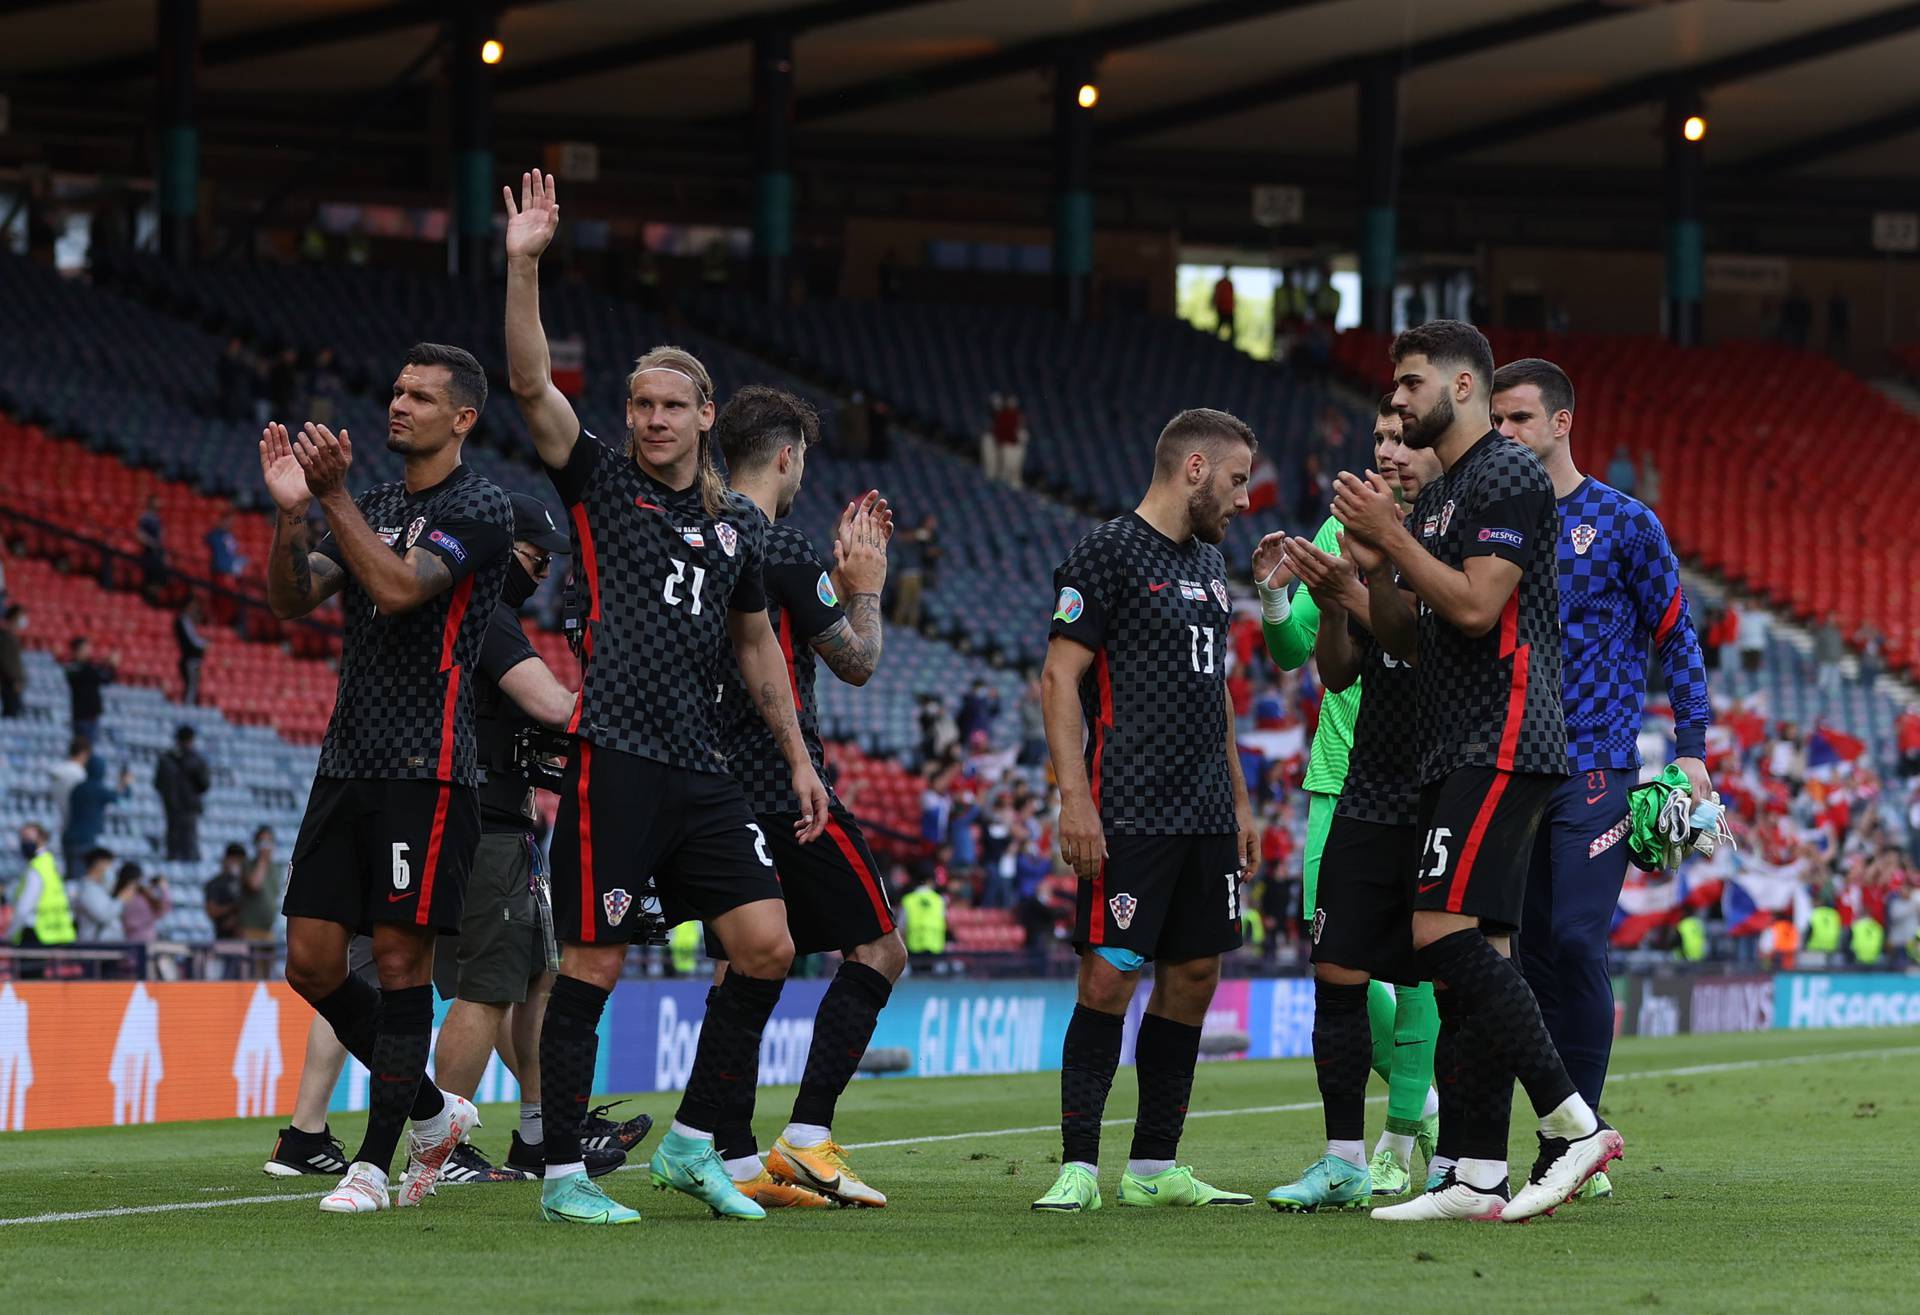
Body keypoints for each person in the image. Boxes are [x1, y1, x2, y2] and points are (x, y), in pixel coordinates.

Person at [503, 169, 829, 1226]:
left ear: (703, 416)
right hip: (617, 757)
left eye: (669, 406)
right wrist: (524, 263)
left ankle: (693, 1142)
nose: (650, 419)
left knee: (768, 945)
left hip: (705, 768)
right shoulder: (599, 480)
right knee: (593, 956)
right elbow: (527, 387)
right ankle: (562, 1177)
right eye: (639, 404)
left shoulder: (736, 525)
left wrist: (794, 756)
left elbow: (757, 646)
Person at [1332, 320, 1619, 1223]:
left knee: (1435, 933)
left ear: (1462, 388)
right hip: (1453, 741)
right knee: (1474, 960)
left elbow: (1476, 602)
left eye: (1411, 382)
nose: (1398, 400)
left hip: (1504, 735)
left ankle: (1574, 1125)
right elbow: (1409, 631)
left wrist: (1397, 537)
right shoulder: (1445, 493)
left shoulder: (1505, 472)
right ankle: (1476, 1176)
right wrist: (1373, 565)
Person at [261, 338, 513, 1215]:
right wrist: (296, 511)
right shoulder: (366, 501)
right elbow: (293, 598)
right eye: (396, 390)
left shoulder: (481, 506)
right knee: (311, 962)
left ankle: (374, 1161)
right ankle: (438, 1111)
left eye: (419, 395)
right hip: (347, 763)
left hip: (427, 767)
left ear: (463, 417)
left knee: (402, 958)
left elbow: (404, 587)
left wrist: (330, 498)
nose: (398, 404)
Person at [1492, 358, 1712, 1204]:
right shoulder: (1494, 525)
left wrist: (1690, 744)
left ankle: (1571, 1145)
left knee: (1579, 943)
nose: (1504, 433)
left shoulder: (1622, 522)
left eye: (1518, 419)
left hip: (1596, 763)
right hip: (1514, 764)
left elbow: (1675, 632)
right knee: (1535, 960)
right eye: (1498, 420)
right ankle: (1566, 1132)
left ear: (1562, 422)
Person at [1030, 407, 1260, 1214]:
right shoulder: (1106, 553)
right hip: (1128, 805)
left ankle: (1155, 1163)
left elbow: (1216, 694)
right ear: (1194, 468)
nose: (1242, 499)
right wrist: (1074, 798)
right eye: (1236, 480)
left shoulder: (1208, 561)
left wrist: (1238, 797)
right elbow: (1059, 680)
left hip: (1205, 813)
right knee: (1109, 974)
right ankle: (1080, 1166)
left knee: (1196, 974)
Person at [709, 384, 905, 1209]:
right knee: (880, 949)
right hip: (784, 787)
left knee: (741, 965)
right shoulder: (784, 548)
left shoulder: (698, 538)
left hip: (706, 784)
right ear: (787, 455)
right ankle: (808, 1133)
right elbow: (856, 659)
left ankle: (729, 1152)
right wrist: (865, 581)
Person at [1252, 394, 1443, 1199]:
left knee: (1429, 961)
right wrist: (1271, 594)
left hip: (1422, 772)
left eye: (1402, 436)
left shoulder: (1443, 526)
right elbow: (1297, 648)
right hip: (1337, 778)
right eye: (1379, 437)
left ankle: (1399, 1135)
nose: (1389, 450)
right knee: (1340, 965)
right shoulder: (1336, 532)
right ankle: (1420, 1103)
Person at [426, 492, 643, 1184]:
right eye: (533, 554)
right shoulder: (485, 613)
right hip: (484, 821)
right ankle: (444, 1143)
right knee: (486, 988)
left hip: (508, 822)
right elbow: (553, 705)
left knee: (535, 981)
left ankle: (541, 1132)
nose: (543, 569)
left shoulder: (495, 615)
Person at [10, 824, 77, 964]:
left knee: (30, 982)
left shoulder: (37, 867)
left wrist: (10, 933)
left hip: (35, 934)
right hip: (56, 934)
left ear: (41, 838)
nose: (24, 842)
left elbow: (24, 907)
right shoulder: (51, 863)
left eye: (28, 838)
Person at [63, 751, 130, 885]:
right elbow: (123, 803)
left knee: (70, 879)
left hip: (69, 837)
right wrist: (126, 785)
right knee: (80, 881)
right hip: (85, 840)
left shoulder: (78, 788)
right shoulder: (99, 790)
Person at [154, 724, 211, 861]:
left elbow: (157, 784)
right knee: (185, 840)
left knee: (179, 840)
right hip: (183, 807)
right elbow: (204, 785)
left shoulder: (167, 759)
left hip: (176, 807)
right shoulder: (195, 760)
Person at [63, 637, 114, 745]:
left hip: (91, 718)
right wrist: (108, 665)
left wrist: (109, 666)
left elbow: (106, 679)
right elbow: (94, 674)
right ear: (78, 651)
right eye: (86, 648)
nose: (89, 651)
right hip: (82, 718)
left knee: (88, 750)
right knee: (85, 751)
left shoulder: (87, 667)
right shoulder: (73, 668)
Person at [68, 846, 124, 942]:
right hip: (95, 946)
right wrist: (121, 898)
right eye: (108, 864)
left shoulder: (100, 887)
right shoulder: (87, 889)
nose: (110, 868)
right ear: (99, 863)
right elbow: (104, 916)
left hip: (106, 944)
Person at [237, 826, 281, 944]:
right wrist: (262, 860)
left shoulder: (277, 868)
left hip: (268, 931)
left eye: (268, 842)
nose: (265, 846)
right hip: (249, 930)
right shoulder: (247, 865)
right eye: (262, 842)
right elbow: (254, 885)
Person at [114, 861, 170, 944]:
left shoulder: (143, 894)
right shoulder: (124, 896)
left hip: (147, 941)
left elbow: (162, 909)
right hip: (133, 941)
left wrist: (163, 890)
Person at [204, 842, 247, 939]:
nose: (238, 865)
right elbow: (211, 911)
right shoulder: (215, 883)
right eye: (235, 860)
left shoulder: (244, 882)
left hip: (245, 937)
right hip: (224, 938)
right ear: (227, 859)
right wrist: (233, 908)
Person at [174, 600, 207, 705]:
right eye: (192, 607)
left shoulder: (189, 622)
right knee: (191, 683)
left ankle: (190, 704)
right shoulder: (183, 620)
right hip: (190, 658)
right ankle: (188, 706)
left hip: (193, 658)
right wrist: (204, 643)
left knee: (194, 684)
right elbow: (192, 640)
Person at [135, 495, 167, 598]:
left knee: (160, 577)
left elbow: (161, 535)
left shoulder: (158, 518)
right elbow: (139, 534)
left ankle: (154, 597)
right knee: (151, 577)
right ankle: (148, 597)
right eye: (157, 502)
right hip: (149, 552)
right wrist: (151, 542)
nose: (159, 504)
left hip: (158, 552)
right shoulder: (145, 517)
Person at [0, 603, 25, 718]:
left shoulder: (12, 637)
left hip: (12, 684)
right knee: (10, 716)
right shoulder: (5, 637)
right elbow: (5, 661)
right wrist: (15, 679)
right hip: (8, 685)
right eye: (22, 616)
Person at [1212, 267, 1236, 341]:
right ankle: (1216, 343)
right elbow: (1215, 296)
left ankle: (1230, 344)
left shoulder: (1230, 284)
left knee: (1232, 331)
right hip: (1221, 309)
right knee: (1218, 329)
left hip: (1229, 310)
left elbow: (1232, 297)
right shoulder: (1220, 284)